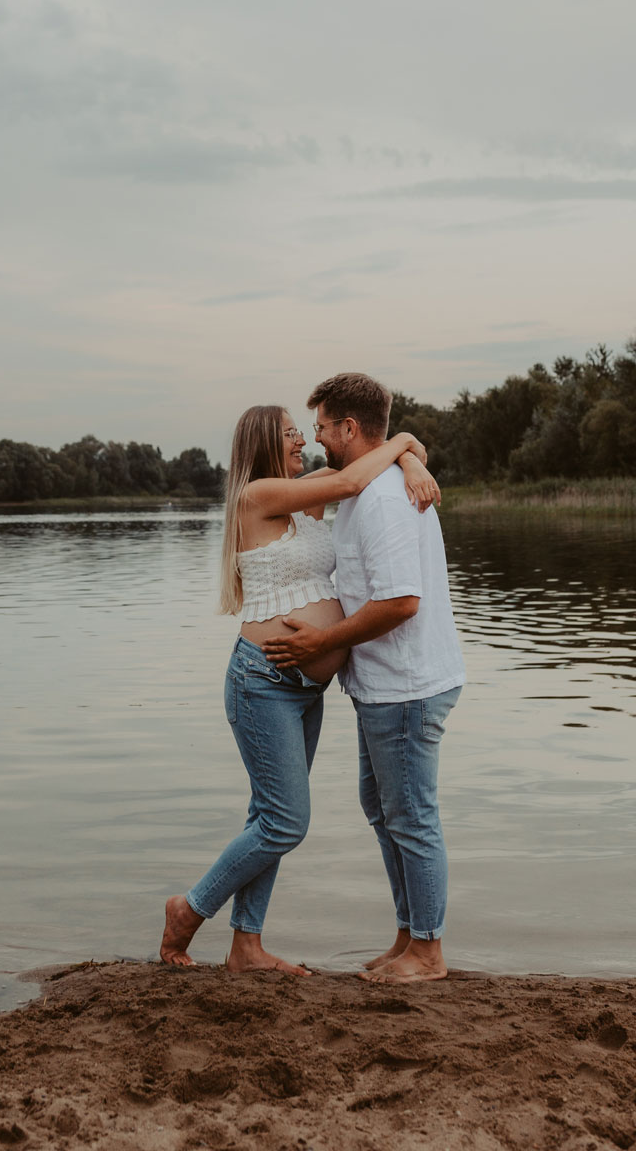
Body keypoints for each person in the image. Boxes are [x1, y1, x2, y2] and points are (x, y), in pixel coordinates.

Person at [160, 403, 439, 974]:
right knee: (284, 822)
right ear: (265, 441)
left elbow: (364, 471)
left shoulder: (303, 492)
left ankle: (247, 946)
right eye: (292, 434)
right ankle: (188, 910)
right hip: (261, 681)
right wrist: (406, 440)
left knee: (267, 817)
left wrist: (410, 458)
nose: (302, 442)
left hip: (300, 689)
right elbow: (356, 476)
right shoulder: (256, 496)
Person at [261, 373, 465, 985]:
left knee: (411, 817)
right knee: (383, 809)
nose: (317, 437)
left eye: (322, 426)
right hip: (382, 687)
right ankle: (409, 935)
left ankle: (427, 953)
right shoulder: (367, 485)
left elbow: (402, 601)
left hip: (406, 686)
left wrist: (320, 642)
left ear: (349, 428)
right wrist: (406, 449)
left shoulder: (380, 500)